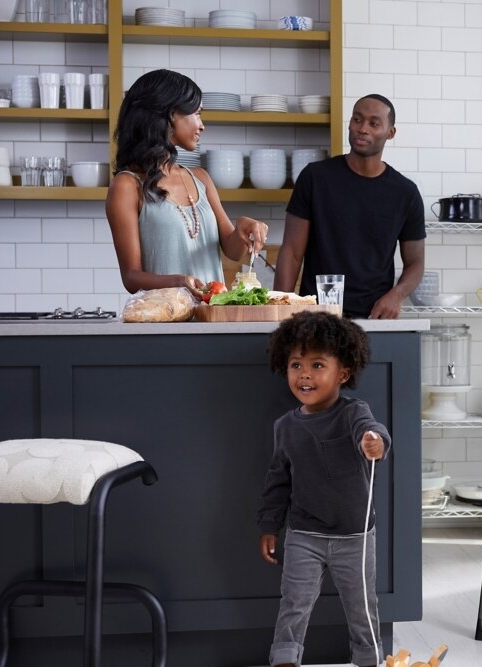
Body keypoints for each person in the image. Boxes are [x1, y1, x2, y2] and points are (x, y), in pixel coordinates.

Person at [257, 311, 390, 667]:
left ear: (342, 374)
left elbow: (371, 429)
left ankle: (369, 658)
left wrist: (375, 442)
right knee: (294, 602)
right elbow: (277, 481)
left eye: (317, 365)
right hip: (304, 533)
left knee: (362, 605)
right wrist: (270, 525)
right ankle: (285, 657)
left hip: (354, 536)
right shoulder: (285, 426)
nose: (304, 374)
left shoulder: (353, 413)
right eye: (296, 364)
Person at [106, 68, 268, 296]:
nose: (202, 125)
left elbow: (233, 251)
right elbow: (131, 277)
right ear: (171, 114)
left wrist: (244, 229)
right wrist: (178, 282)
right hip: (165, 322)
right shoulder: (127, 186)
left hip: (212, 321)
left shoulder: (200, 178)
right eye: (197, 113)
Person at [273, 94, 425, 319]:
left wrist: (397, 295)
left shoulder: (405, 193)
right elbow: (292, 252)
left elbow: (416, 262)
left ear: (390, 133)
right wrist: (279, 311)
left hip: (375, 318)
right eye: (357, 119)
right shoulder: (315, 178)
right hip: (318, 317)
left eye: (374, 123)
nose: (363, 128)